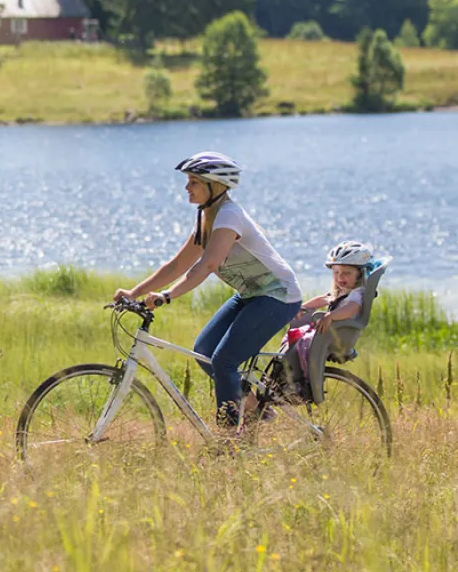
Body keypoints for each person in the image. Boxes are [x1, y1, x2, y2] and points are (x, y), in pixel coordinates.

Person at [114, 152, 302, 427]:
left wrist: (167, 296)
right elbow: (177, 265)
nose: (187, 187)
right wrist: (134, 292)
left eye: (194, 182)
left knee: (224, 361)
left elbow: (207, 264)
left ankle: (229, 444)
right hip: (251, 294)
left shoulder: (229, 215)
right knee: (204, 350)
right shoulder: (207, 217)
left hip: (279, 296)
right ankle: (254, 408)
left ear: (215, 185)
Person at [281, 241, 374, 397]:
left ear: (360, 273)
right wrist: (303, 307)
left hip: (336, 334)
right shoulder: (344, 290)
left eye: (346, 273)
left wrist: (330, 316)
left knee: (302, 343)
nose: (340, 277)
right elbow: (324, 299)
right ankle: (288, 376)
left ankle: (302, 382)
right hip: (330, 332)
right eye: (336, 273)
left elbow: (352, 308)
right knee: (294, 339)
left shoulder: (357, 293)